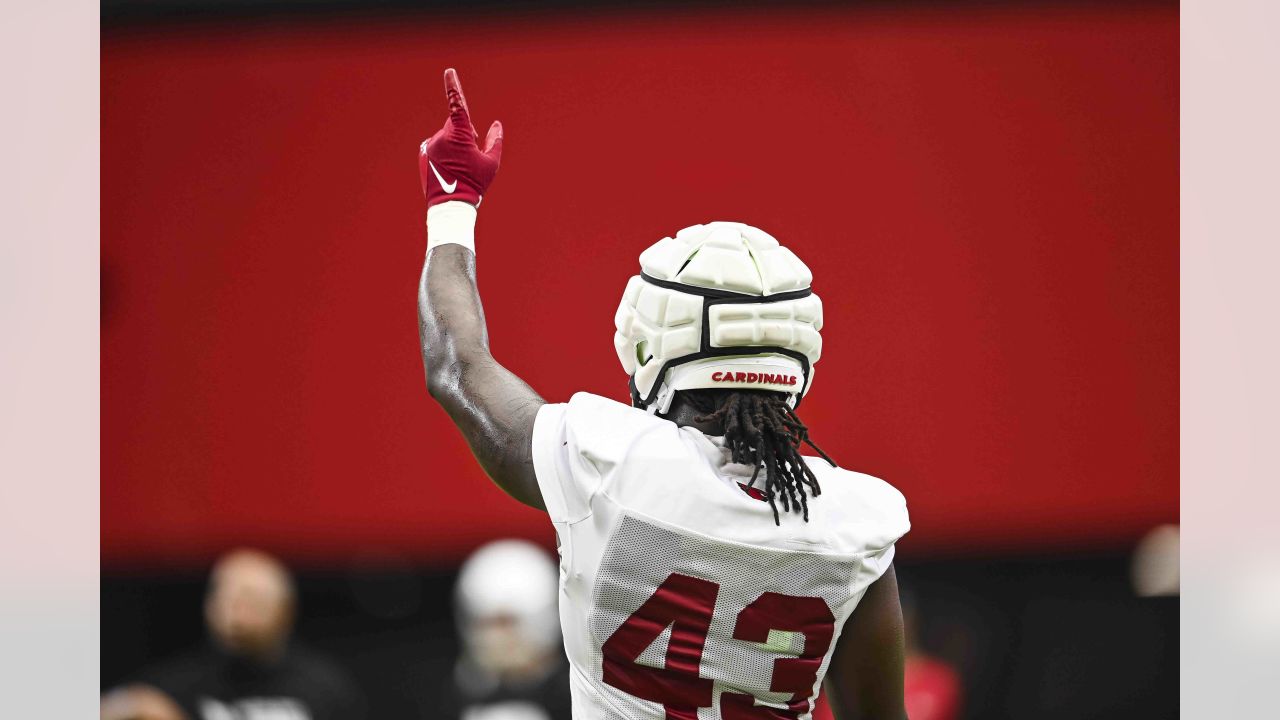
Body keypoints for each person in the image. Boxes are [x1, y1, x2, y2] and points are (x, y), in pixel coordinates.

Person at [417, 68, 911, 719]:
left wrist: (451, 204)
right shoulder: (855, 523)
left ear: (651, 346)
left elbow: (455, 365)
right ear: (798, 358)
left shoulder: (609, 465)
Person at [101, 549, 365, 720]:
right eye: (228, 600)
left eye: (252, 601)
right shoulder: (178, 683)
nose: (238, 615)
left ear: (284, 610)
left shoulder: (323, 687)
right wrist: (132, 705)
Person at [443, 539, 573, 719]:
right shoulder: (454, 695)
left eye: (504, 624)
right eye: (483, 624)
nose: (491, 638)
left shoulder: (580, 700)